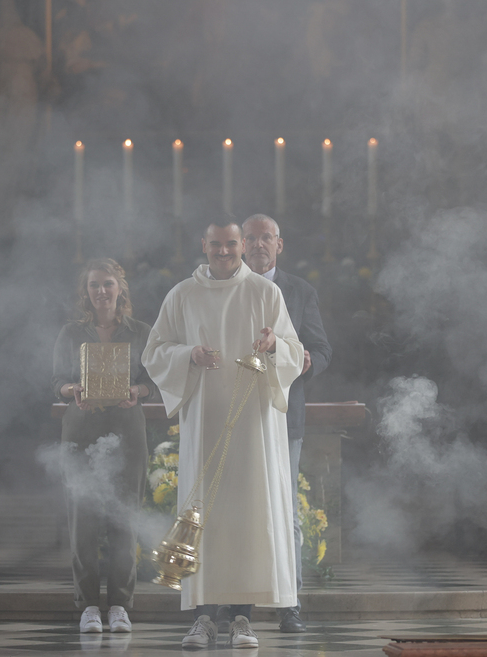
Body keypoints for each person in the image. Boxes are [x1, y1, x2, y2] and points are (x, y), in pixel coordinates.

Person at [142, 217, 304, 649]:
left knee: (247, 516)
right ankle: (203, 619)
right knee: (205, 515)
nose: (224, 251)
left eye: (231, 244)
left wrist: (274, 344)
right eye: (217, 244)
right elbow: (154, 352)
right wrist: (188, 354)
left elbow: (294, 349)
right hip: (204, 421)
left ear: (241, 246)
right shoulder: (183, 294)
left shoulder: (265, 292)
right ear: (204, 245)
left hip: (253, 422)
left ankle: (242, 619)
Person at [51, 258, 156, 635]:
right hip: (81, 432)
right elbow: (56, 382)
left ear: (120, 288)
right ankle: (89, 607)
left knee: (125, 521)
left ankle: (121, 606)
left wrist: (137, 390)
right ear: (86, 291)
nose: (101, 291)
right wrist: (72, 389)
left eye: (108, 284)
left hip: (127, 432)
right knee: (83, 523)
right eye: (94, 285)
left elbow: (155, 381)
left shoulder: (141, 332)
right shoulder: (71, 333)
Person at [242, 213, 332, 633]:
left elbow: (321, 348)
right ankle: (236, 605)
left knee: (285, 511)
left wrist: (309, 363)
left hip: (283, 415)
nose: (259, 244)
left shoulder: (299, 291)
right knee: (239, 509)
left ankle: (289, 604)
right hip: (237, 414)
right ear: (241, 245)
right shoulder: (228, 288)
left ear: (280, 244)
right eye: (252, 238)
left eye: (267, 238)